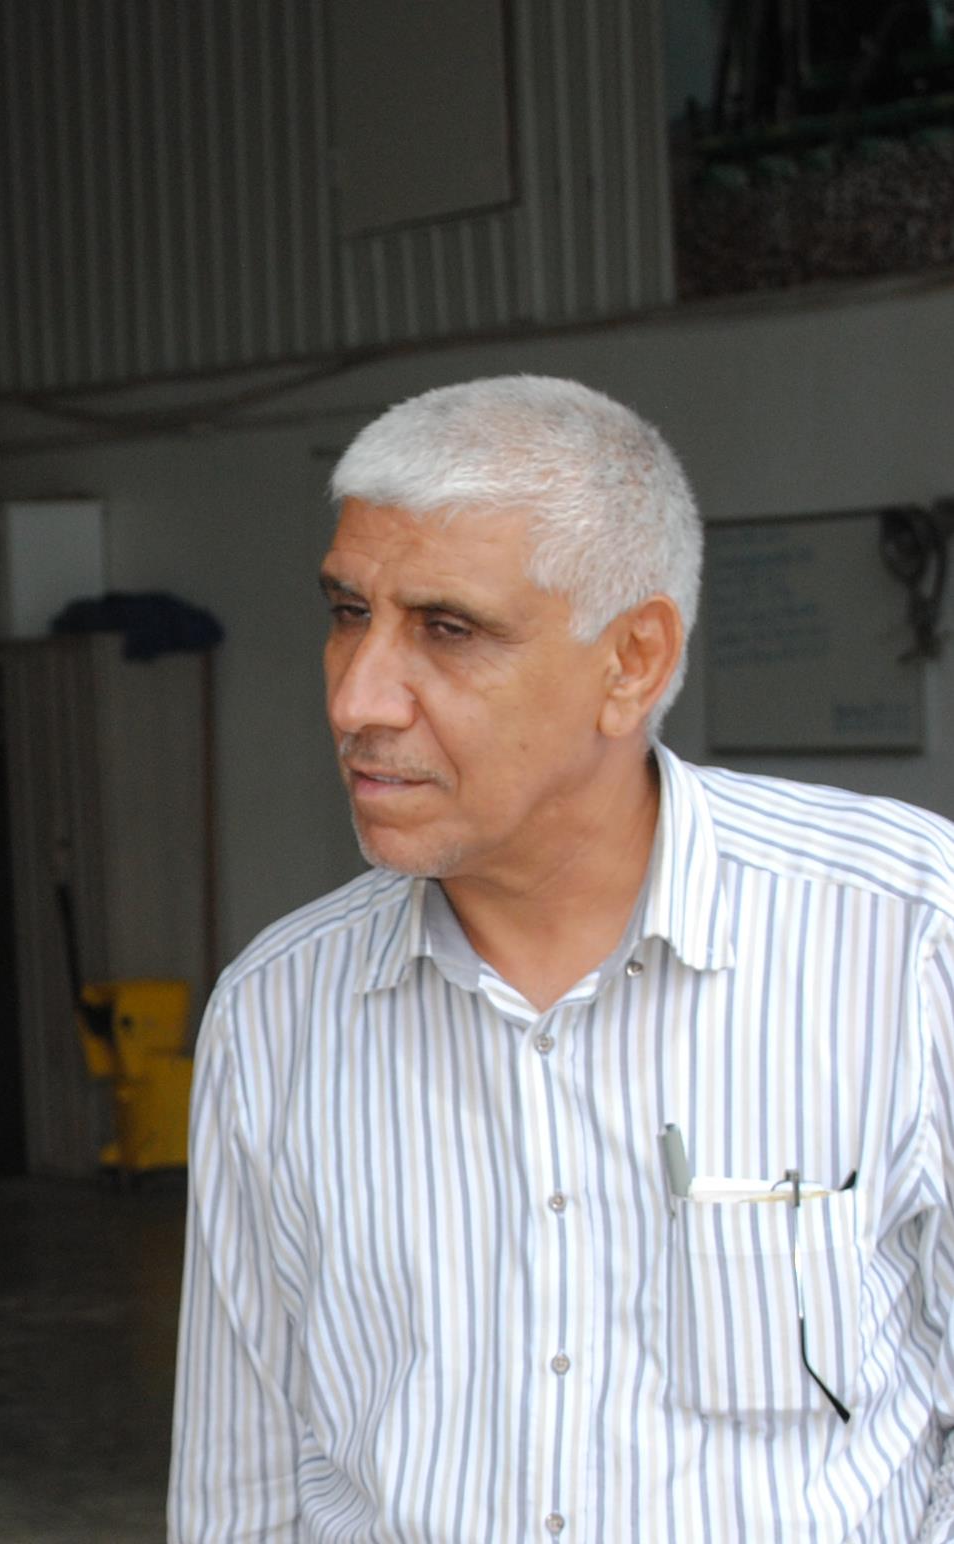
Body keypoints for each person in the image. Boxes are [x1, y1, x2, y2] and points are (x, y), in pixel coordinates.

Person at [169, 375, 954, 1539]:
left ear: (632, 660)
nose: (357, 696)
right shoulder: (278, 1012)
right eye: (347, 613)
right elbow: (241, 1489)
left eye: (447, 627)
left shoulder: (907, 942)